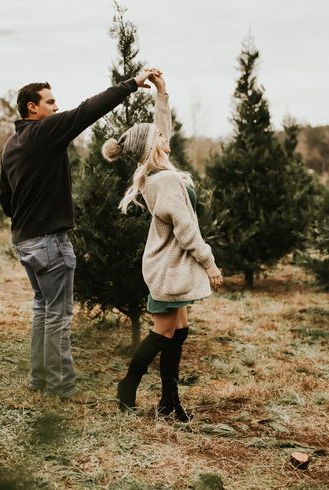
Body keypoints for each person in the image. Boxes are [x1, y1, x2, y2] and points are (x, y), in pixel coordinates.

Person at [0, 68, 160, 404]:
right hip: (48, 241)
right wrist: (132, 83)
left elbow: (5, 199)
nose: (57, 108)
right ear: (32, 108)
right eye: (51, 102)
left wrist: (28, 219)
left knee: (43, 309)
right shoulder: (43, 131)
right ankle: (62, 387)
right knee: (58, 314)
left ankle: (38, 379)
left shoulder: (11, 145)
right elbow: (89, 110)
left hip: (24, 240)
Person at [101, 72, 223, 421]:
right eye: (158, 136)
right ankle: (128, 385)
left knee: (178, 330)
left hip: (172, 264)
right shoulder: (167, 180)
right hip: (169, 265)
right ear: (153, 147)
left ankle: (170, 401)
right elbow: (186, 230)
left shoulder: (156, 171)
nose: (163, 135)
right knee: (163, 332)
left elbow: (159, 131)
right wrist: (210, 263)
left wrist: (162, 95)